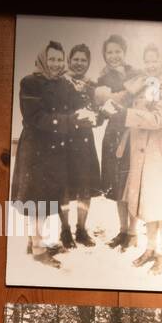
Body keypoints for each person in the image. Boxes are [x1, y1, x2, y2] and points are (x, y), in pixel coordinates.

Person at [10, 40, 98, 268]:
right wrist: (71, 120)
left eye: (59, 60)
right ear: (43, 59)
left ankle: (33, 242)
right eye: (52, 59)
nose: (56, 64)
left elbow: (75, 107)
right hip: (35, 148)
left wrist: (92, 112)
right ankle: (39, 250)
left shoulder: (64, 85)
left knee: (45, 199)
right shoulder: (29, 83)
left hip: (52, 150)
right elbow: (36, 117)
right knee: (37, 200)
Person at [103, 45, 162, 275]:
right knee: (148, 203)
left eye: (155, 60)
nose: (150, 65)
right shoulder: (146, 84)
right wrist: (113, 103)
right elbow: (133, 103)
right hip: (142, 153)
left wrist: (125, 115)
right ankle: (150, 249)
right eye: (147, 61)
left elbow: (158, 118)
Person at [93, 34, 141, 251]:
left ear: (124, 52)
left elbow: (142, 102)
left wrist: (115, 97)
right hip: (113, 135)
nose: (113, 56)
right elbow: (102, 110)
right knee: (118, 185)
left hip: (134, 133)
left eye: (117, 51)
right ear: (104, 55)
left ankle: (133, 232)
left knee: (132, 184)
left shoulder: (137, 74)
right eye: (109, 52)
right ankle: (122, 231)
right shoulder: (102, 80)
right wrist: (106, 105)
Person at [60, 43, 102, 248]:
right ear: (69, 61)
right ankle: (65, 230)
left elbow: (100, 114)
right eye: (75, 59)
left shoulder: (92, 86)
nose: (79, 63)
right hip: (64, 141)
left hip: (85, 142)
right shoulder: (60, 82)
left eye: (83, 60)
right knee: (65, 187)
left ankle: (81, 229)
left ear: (88, 63)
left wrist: (97, 118)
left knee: (85, 188)